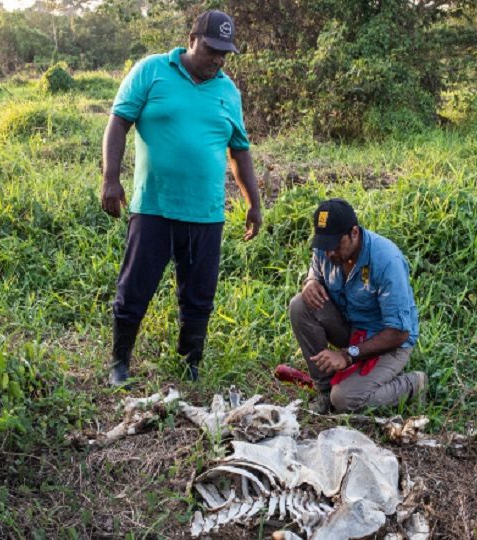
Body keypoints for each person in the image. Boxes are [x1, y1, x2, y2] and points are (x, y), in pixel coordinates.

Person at [101, 10, 262, 386]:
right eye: (211, 49)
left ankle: (191, 363)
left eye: (224, 53)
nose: (217, 59)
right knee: (134, 288)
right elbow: (118, 123)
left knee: (199, 295)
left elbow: (239, 152)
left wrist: (253, 202)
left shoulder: (228, 90)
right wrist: (110, 178)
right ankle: (119, 362)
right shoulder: (151, 71)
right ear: (191, 39)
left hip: (206, 213)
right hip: (154, 206)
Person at [289, 199, 428, 413]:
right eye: (323, 246)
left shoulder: (387, 261)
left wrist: (347, 355)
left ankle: (413, 384)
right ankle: (324, 389)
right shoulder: (327, 249)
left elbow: (399, 332)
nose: (328, 254)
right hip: (351, 327)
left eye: (335, 246)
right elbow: (315, 269)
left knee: (346, 399)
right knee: (300, 305)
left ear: (354, 233)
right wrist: (311, 281)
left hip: (387, 340)